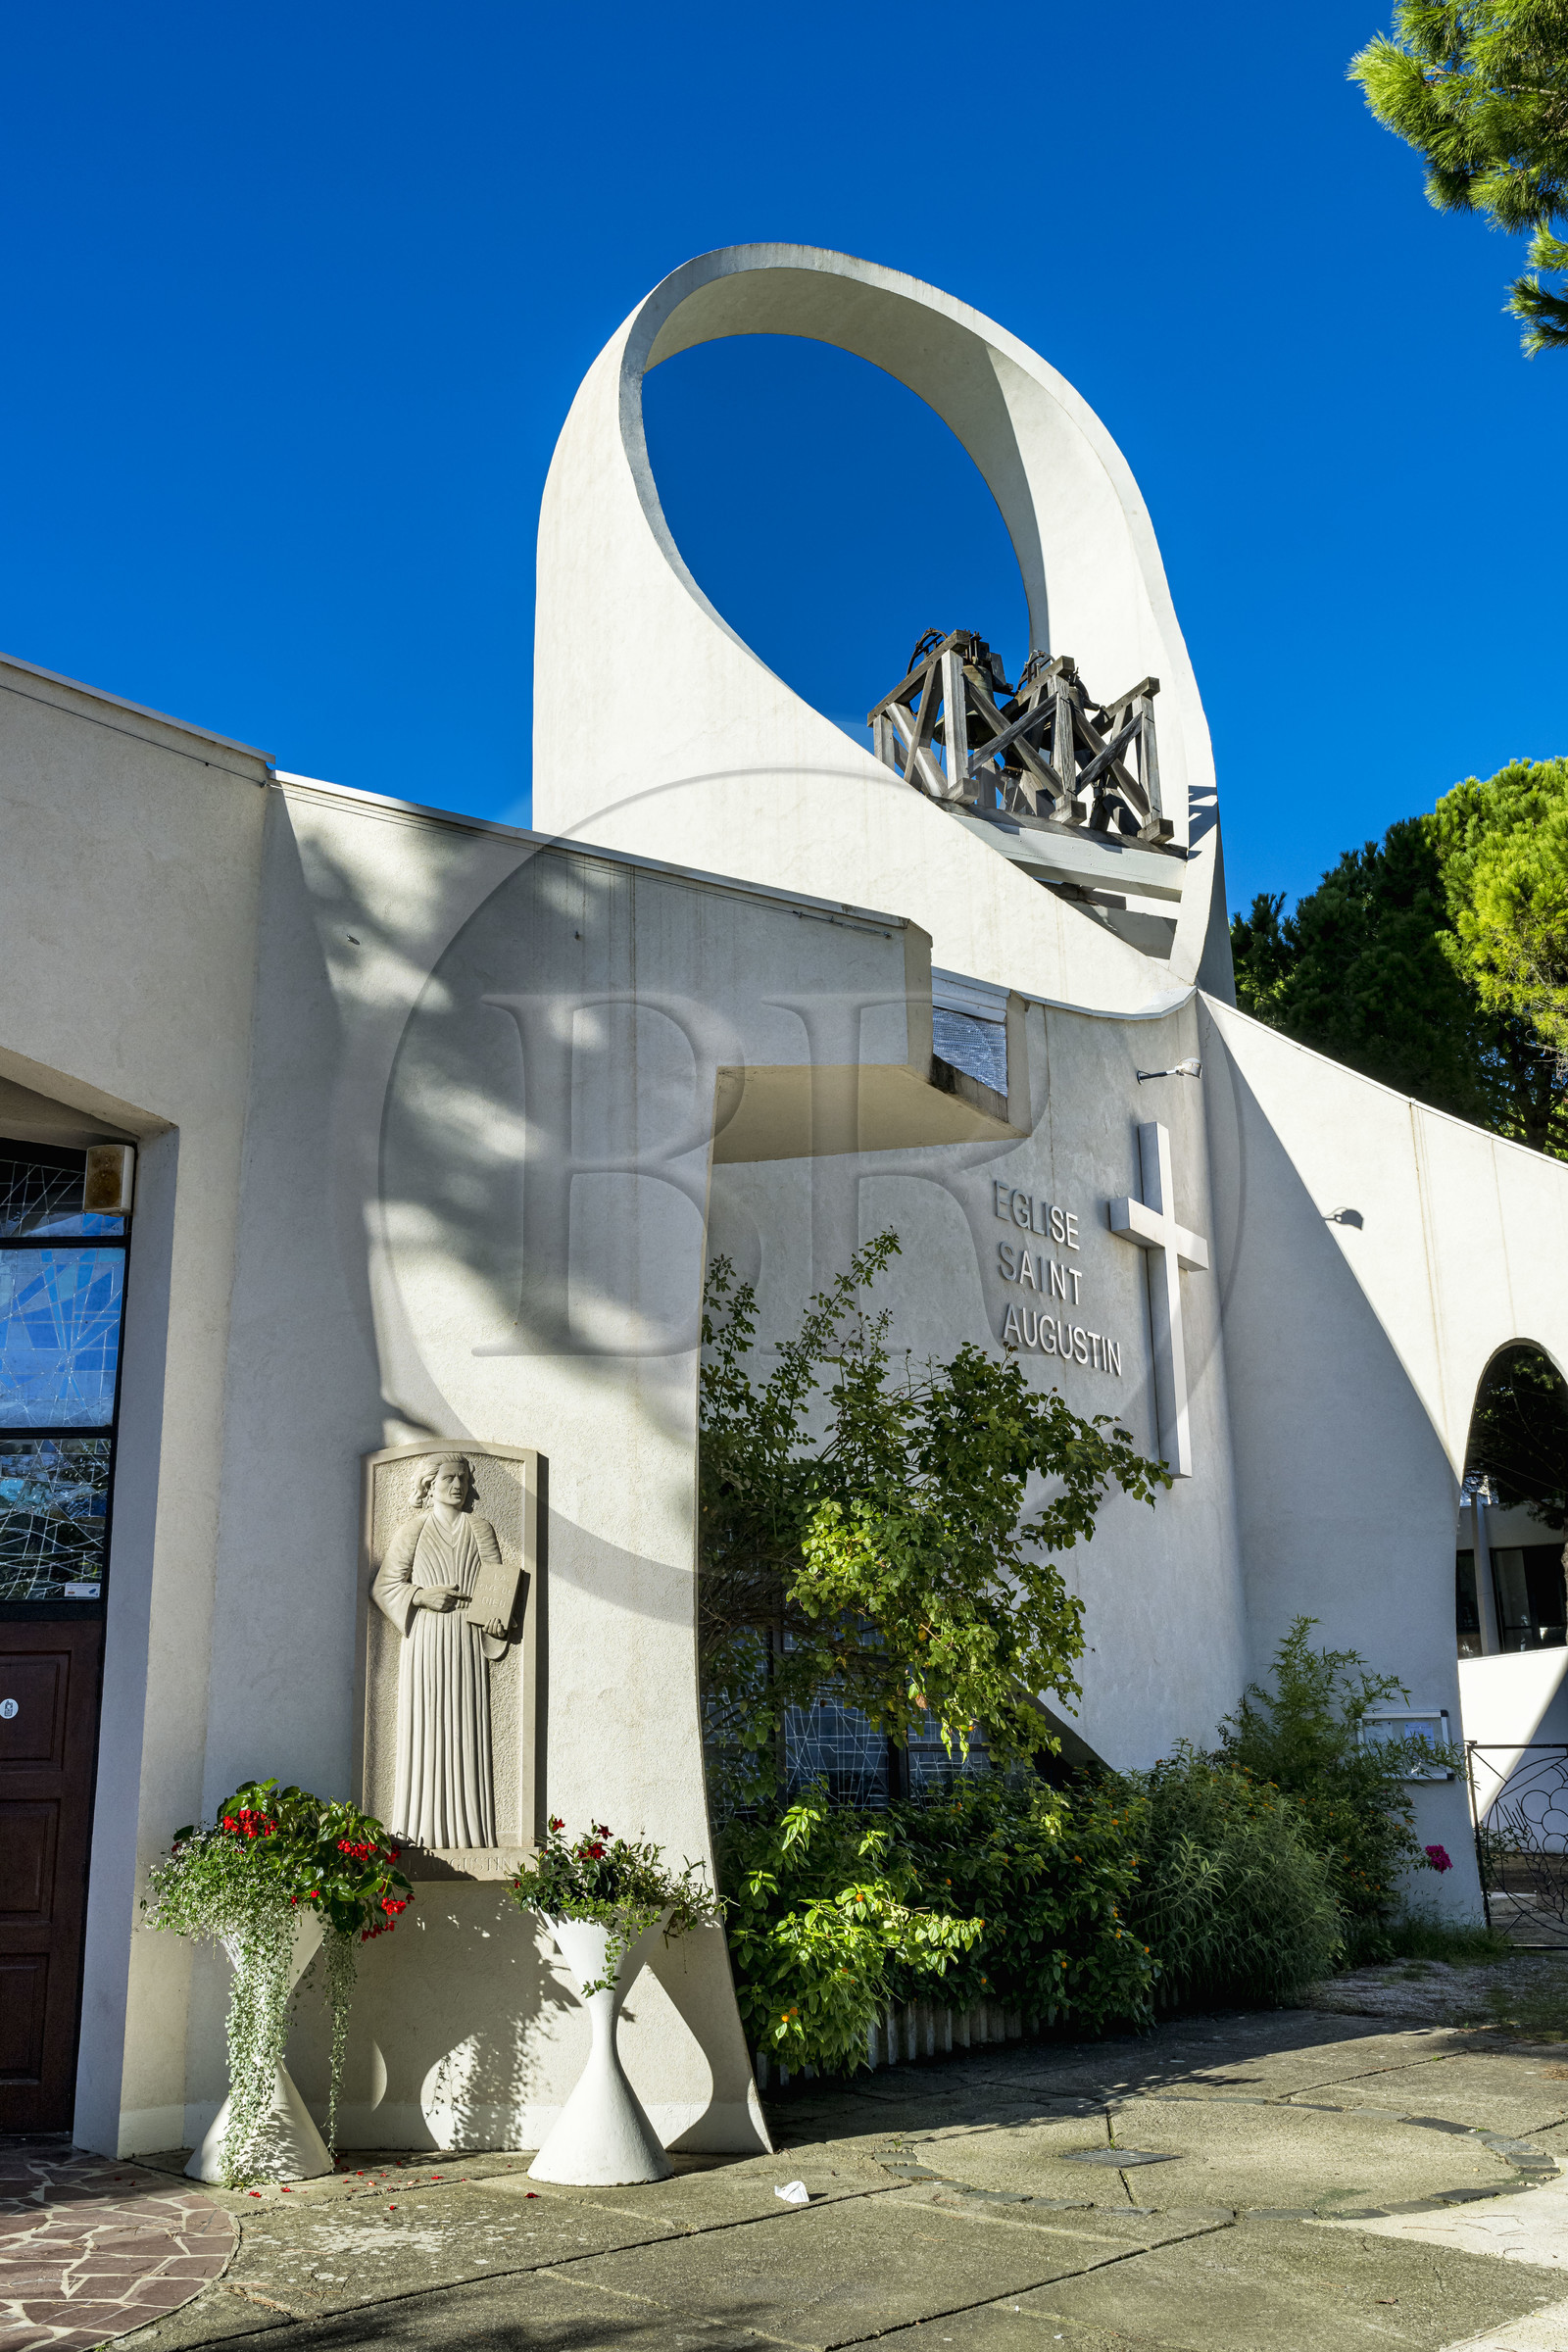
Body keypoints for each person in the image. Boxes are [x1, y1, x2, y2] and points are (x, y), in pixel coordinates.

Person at [372, 1453, 511, 1847]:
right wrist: (420, 1596)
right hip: (427, 1640)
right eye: (449, 1478)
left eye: (463, 1479)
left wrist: (496, 1620)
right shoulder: (413, 1530)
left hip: (467, 1640)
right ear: (430, 1484)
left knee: (465, 1726)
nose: (457, 1486)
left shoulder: (481, 1528)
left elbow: (497, 1589)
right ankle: (417, 1829)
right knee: (427, 1723)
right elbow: (384, 1587)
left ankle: (470, 1831)